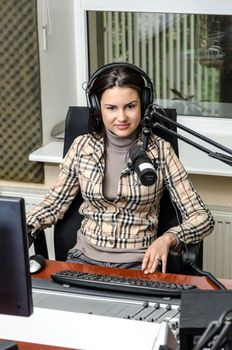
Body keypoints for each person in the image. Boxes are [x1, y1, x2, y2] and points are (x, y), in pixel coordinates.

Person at [27, 62, 215, 274]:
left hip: (140, 264)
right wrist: (22, 229)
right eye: (111, 108)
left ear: (143, 104)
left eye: (130, 106)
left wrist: (169, 238)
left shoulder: (161, 151)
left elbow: (202, 217)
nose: (122, 117)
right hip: (82, 260)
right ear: (98, 107)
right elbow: (53, 204)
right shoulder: (82, 147)